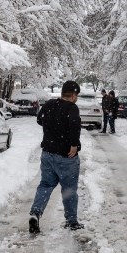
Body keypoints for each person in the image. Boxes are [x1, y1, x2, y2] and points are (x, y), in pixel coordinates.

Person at [29, 80, 84, 233]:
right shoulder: (72, 108)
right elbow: (74, 125)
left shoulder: (49, 104)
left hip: (47, 153)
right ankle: (71, 221)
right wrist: (73, 144)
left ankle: (35, 213)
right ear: (73, 95)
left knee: (45, 185)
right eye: (76, 95)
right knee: (69, 189)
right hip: (66, 156)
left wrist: (52, 126)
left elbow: (40, 119)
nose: (76, 98)